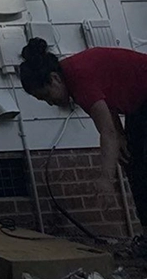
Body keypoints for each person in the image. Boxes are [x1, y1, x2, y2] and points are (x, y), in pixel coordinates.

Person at [19, 36, 147, 247]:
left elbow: (107, 133)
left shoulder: (79, 78)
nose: (50, 103)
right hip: (138, 103)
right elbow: (108, 100)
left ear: (54, 79)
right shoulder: (72, 75)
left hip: (142, 97)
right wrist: (120, 134)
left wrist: (105, 179)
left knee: (141, 162)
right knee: (134, 162)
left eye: (47, 96)